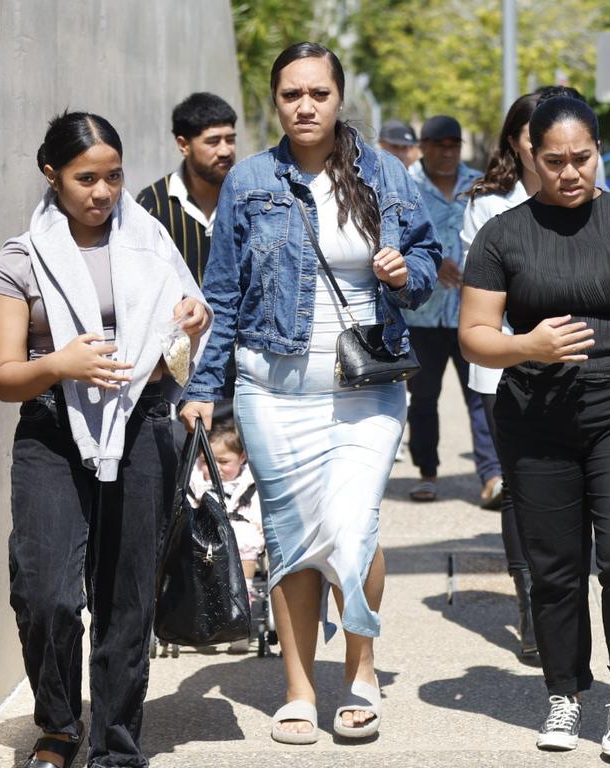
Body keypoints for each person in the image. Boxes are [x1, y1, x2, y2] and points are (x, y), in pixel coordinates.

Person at [179, 42, 441, 745]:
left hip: (367, 390)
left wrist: (399, 273)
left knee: (354, 529)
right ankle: (298, 687)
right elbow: (224, 293)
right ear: (276, 101)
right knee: (292, 541)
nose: (305, 106)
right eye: (292, 94)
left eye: (318, 94)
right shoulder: (251, 181)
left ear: (338, 97)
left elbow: (426, 268)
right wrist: (205, 385)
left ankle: (360, 670)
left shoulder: (384, 173)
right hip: (274, 392)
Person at [460, 96, 610, 762]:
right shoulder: (505, 234)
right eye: (554, 161)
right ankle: (565, 692)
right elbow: (475, 335)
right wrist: (527, 348)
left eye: (582, 158)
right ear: (530, 156)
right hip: (537, 421)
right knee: (557, 569)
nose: (569, 173)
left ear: (599, 150)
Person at [0, 111, 211, 768]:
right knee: (47, 592)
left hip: (140, 424)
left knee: (127, 596)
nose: (104, 192)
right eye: (87, 178)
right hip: (51, 434)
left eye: (114, 177)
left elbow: (180, 326)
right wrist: (60, 363)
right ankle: (58, 724)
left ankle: (116, 743)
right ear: (51, 174)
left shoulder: (148, 241)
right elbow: (4, 378)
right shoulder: (18, 261)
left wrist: (193, 319)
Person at [461, 90, 544, 660]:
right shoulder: (488, 204)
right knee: (520, 487)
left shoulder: (599, 196)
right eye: (534, 132)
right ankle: (531, 604)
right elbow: (486, 294)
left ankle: (563, 594)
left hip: (576, 364)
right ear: (515, 139)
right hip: (506, 366)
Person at [404, 115, 502, 506]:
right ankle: (427, 472)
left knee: (481, 392)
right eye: (439, 144)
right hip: (422, 314)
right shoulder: (405, 186)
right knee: (424, 398)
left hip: (472, 312)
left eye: (454, 144)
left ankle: (492, 475)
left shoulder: (480, 185)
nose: (447, 151)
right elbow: (390, 238)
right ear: (423, 146)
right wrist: (432, 264)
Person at [137, 92, 238, 422]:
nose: (225, 150)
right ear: (184, 144)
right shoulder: (152, 205)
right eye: (213, 141)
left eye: (230, 139)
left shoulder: (250, 198)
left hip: (242, 363)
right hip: (177, 366)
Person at [190, 418, 264, 653]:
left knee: (246, 540)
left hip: (240, 526)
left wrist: (260, 525)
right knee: (197, 550)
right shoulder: (197, 482)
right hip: (208, 532)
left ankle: (242, 610)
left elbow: (258, 509)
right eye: (206, 462)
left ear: (242, 458)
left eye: (223, 462)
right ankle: (206, 621)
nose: (214, 468)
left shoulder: (249, 482)